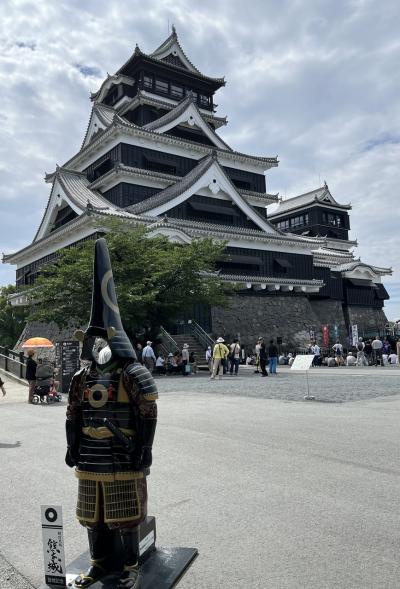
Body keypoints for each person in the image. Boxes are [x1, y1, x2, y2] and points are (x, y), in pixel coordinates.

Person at [66, 238, 157, 589]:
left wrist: (145, 449)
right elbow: (73, 414)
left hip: (123, 452)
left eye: (103, 337)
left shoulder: (133, 373)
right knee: (93, 516)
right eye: (94, 337)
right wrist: (71, 446)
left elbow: (148, 412)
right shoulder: (81, 377)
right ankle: (99, 564)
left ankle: (130, 566)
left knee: (126, 515)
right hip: (90, 454)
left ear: (116, 337)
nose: (98, 344)